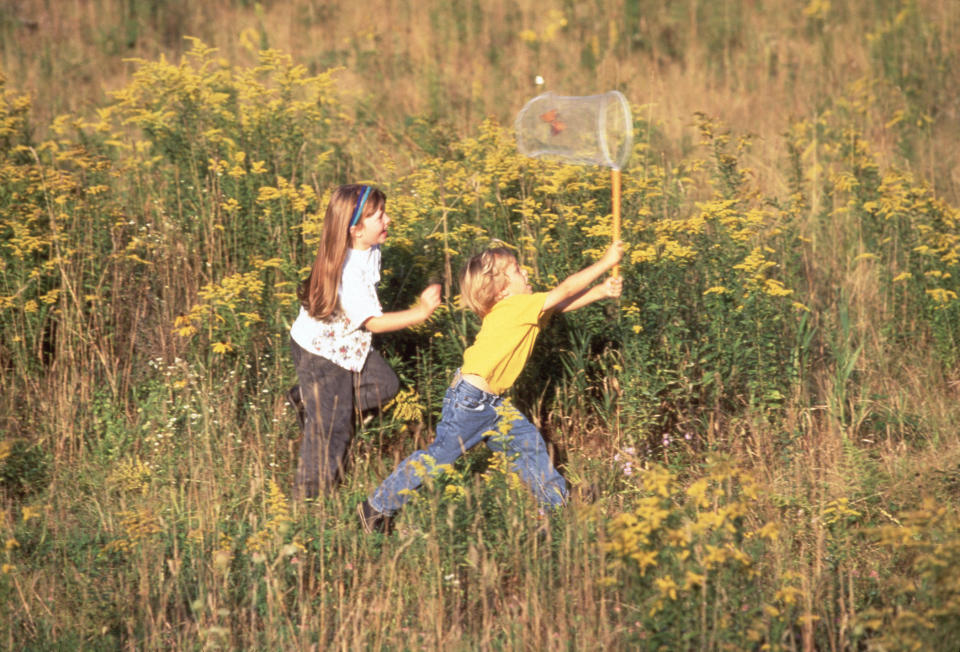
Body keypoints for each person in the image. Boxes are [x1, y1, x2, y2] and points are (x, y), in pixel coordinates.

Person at [357, 240, 624, 532]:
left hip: (486, 401)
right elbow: (564, 291)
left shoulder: (517, 308)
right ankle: (376, 508)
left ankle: (557, 502)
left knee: (528, 444)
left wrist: (600, 291)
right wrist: (605, 262)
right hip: (473, 402)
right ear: (503, 291)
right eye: (516, 270)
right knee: (438, 457)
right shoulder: (515, 307)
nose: (525, 272)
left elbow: (559, 305)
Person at [289, 184, 442, 500]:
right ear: (355, 230)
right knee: (331, 427)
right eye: (379, 216)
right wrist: (421, 312)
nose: (388, 219)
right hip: (320, 354)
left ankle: (308, 400)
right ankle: (308, 499)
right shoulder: (349, 273)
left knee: (384, 385)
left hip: (345, 344)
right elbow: (374, 322)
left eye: (384, 212)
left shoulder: (366, 249)